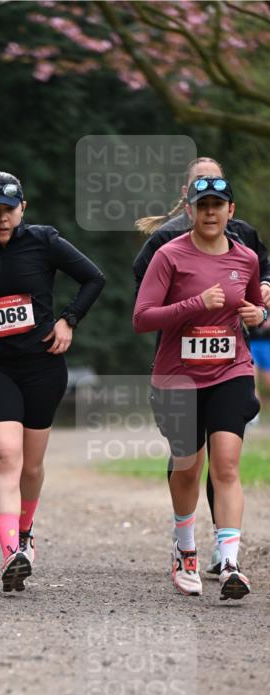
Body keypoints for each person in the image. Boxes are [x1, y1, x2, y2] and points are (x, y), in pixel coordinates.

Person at [0, 171, 105, 593]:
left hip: (41, 365)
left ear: (23, 208)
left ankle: (25, 529)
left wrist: (69, 320)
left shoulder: (44, 241)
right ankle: (10, 551)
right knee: (4, 456)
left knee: (31, 466)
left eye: (9, 210)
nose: (2, 219)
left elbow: (94, 278)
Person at [134, 156, 270, 574]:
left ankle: (229, 562)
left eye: (218, 204)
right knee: (189, 466)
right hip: (178, 371)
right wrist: (195, 303)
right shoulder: (166, 250)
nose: (211, 212)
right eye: (203, 204)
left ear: (231, 210)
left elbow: (251, 306)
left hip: (230, 368)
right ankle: (185, 546)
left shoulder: (245, 254)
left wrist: (260, 316)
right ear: (189, 207)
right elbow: (142, 316)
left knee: (227, 463)